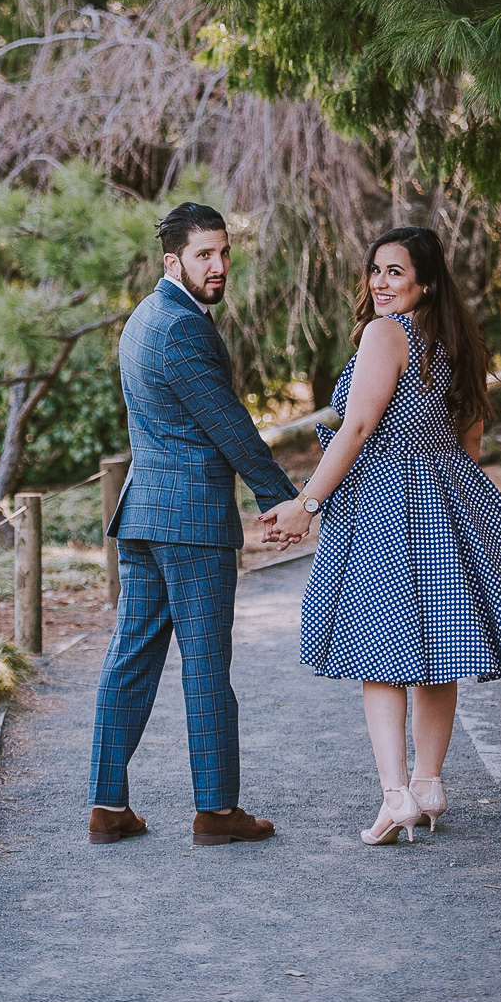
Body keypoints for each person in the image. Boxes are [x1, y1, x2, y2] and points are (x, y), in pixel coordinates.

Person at [262, 226, 501, 845]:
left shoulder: (384, 334)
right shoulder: (457, 342)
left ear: (425, 281)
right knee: (435, 648)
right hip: (448, 495)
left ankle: (397, 796)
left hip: (383, 503)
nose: (380, 283)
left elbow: (357, 426)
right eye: (376, 271)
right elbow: (469, 439)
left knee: (378, 656)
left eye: (394, 272)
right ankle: (430, 782)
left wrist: (307, 502)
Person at [88, 203, 299, 846]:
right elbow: (229, 424)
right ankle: (215, 810)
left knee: (132, 656)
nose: (218, 265)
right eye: (204, 254)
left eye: (223, 252)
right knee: (205, 666)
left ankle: (107, 805)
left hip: (145, 517)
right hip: (190, 525)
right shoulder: (179, 326)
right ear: (171, 260)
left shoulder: (144, 319)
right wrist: (283, 500)